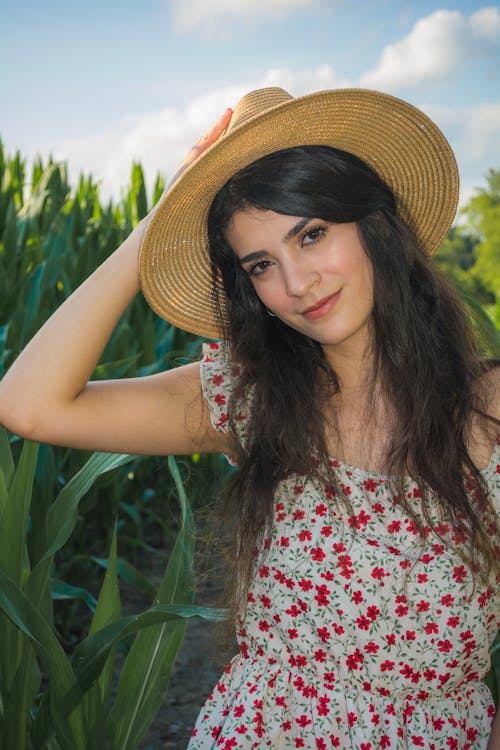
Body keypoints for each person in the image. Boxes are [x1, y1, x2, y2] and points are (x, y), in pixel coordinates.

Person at [0, 87, 498, 749]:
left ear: (374, 224)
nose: (296, 283)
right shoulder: (251, 400)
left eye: (311, 234)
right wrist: (156, 224)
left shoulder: (489, 412)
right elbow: (28, 404)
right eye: (261, 264)